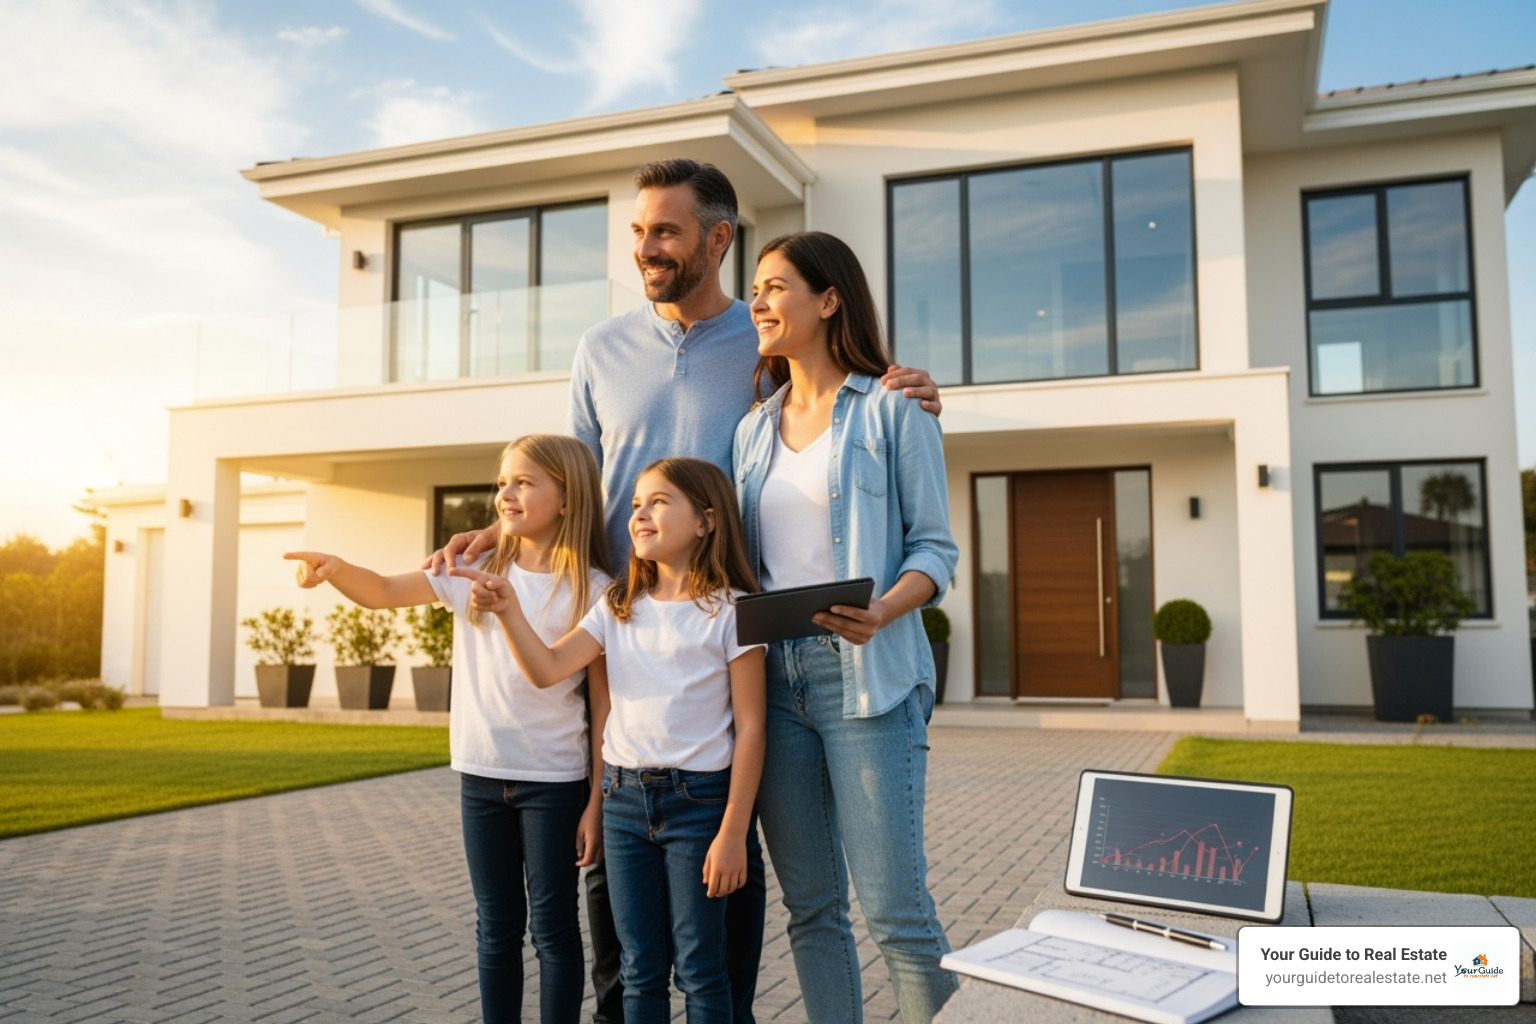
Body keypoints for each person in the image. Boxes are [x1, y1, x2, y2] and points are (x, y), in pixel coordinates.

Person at [431, 157, 943, 1024]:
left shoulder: (764, 336)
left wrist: (910, 386)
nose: (646, 248)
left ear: (717, 238)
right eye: (637, 232)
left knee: (741, 877)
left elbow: (848, 411)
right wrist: (506, 527)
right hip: (627, 635)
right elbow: (574, 481)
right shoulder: (608, 351)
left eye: (665, 231)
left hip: (740, 646)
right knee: (623, 888)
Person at [286, 434, 611, 1024]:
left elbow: (603, 705)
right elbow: (383, 592)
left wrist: (595, 802)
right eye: (502, 482)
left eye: (524, 482)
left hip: (555, 782)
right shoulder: (469, 570)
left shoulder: (594, 588)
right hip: (481, 778)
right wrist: (335, 569)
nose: (505, 494)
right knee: (496, 927)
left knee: (555, 930)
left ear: (567, 499)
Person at [733, 232, 961, 1024]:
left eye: (775, 287)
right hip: (775, 682)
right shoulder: (752, 430)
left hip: (867, 675)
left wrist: (885, 609)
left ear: (829, 300)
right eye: (754, 289)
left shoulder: (895, 407)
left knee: (896, 911)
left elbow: (936, 546)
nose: (757, 302)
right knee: (812, 909)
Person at [450, 457, 767, 1024]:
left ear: (706, 522)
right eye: (637, 503)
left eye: (659, 501)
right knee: (639, 970)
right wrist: (509, 610)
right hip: (623, 805)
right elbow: (548, 668)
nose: (639, 512)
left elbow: (752, 729)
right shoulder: (617, 604)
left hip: (700, 808)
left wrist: (734, 833)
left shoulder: (735, 611)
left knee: (700, 970)